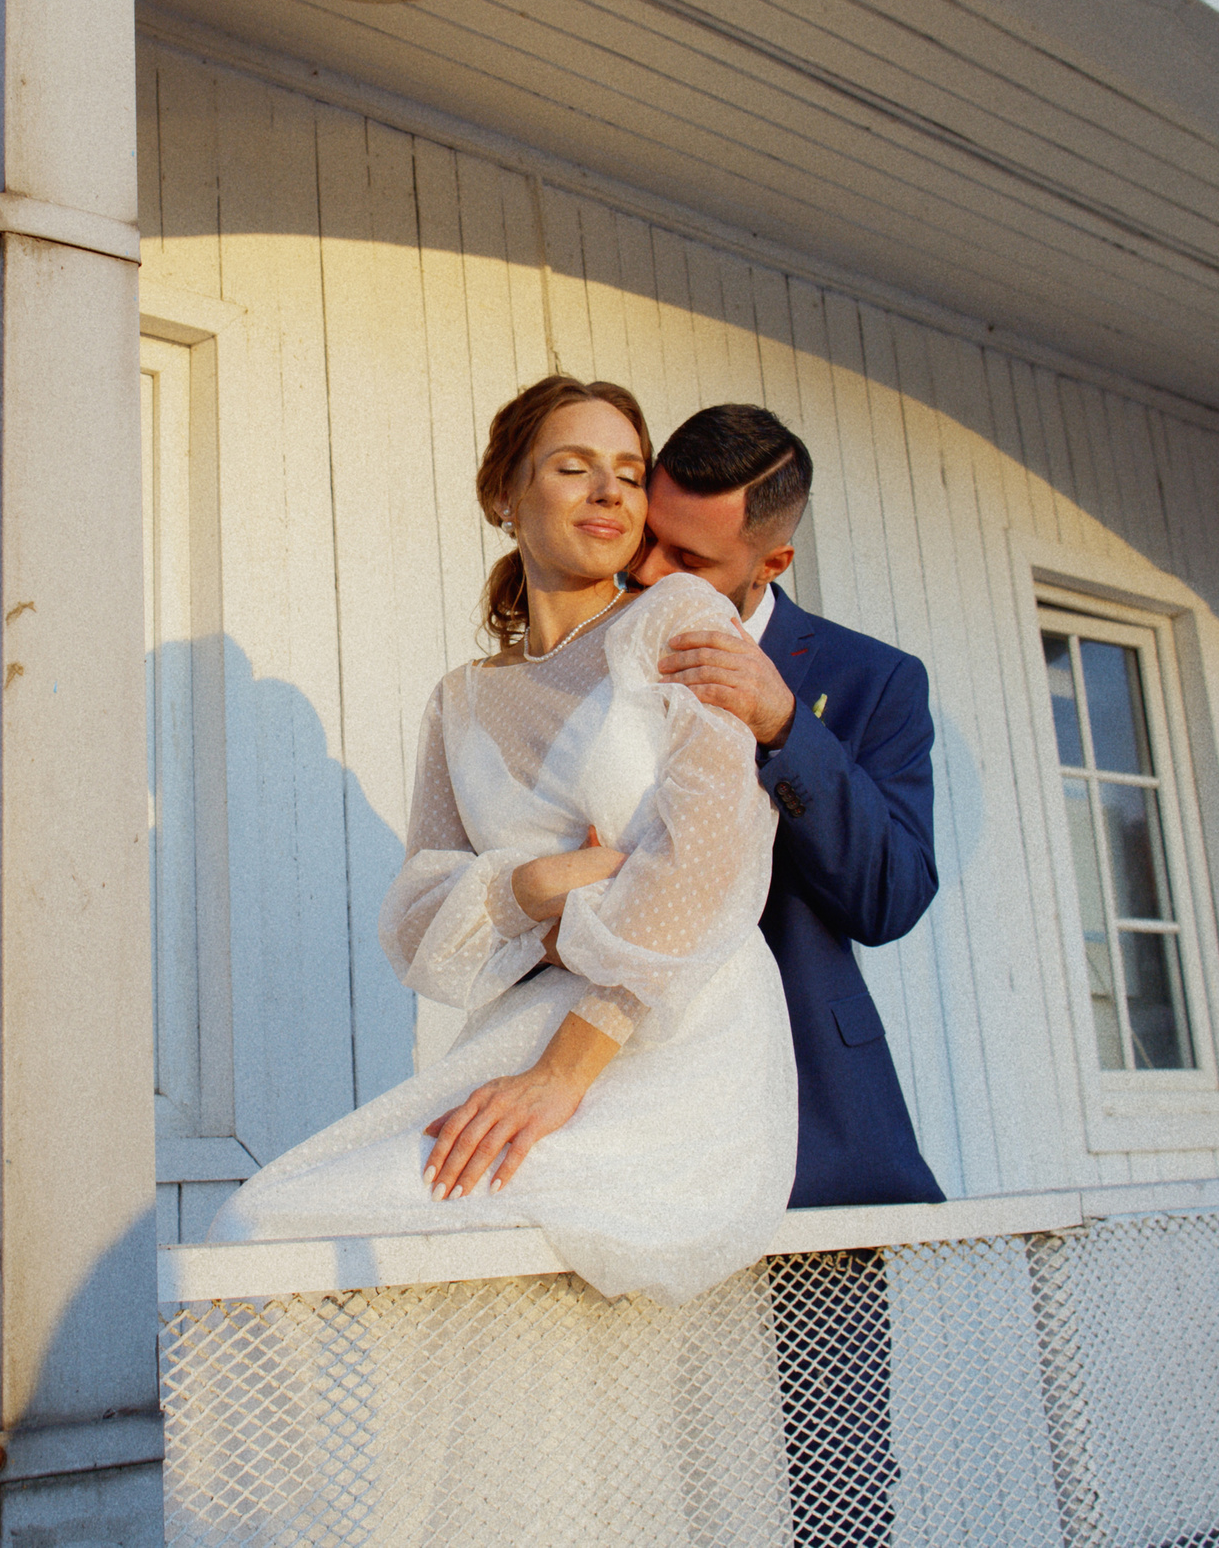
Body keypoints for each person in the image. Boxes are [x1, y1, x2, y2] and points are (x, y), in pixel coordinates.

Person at [209, 376, 799, 1311]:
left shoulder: (680, 619)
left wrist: (559, 1076)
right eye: (574, 467)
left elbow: (707, 857)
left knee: (294, 1231)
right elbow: (414, 918)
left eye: (629, 473)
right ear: (504, 496)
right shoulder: (462, 698)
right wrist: (548, 880)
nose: (610, 492)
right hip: (523, 1035)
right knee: (255, 1224)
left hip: (672, 1039)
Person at [633, 401, 944, 1546]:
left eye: (690, 559)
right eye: (649, 539)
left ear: (774, 559)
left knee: (834, 1483)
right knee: (653, 1468)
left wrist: (781, 727)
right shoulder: (594, 641)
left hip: (812, 1123)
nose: (650, 572)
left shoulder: (871, 682)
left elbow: (889, 896)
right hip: (631, 1110)